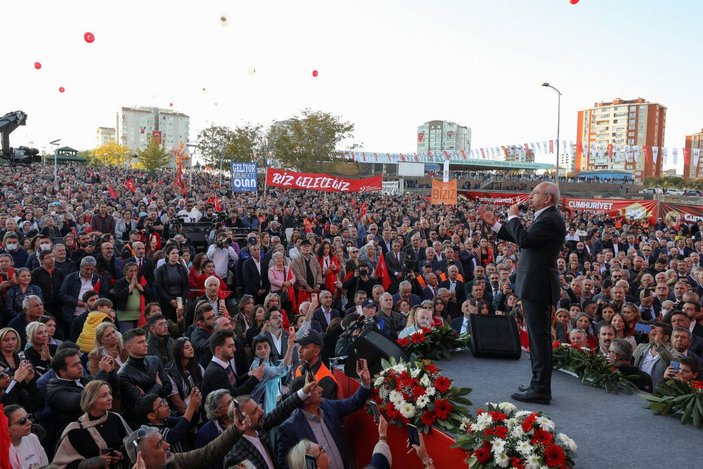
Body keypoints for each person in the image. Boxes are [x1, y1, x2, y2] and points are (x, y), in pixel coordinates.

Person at [479, 181, 566, 405]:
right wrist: (497, 225)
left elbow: (524, 239)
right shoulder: (547, 217)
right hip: (535, 284)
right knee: (539, 338)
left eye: (534, 193)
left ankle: (540, 389)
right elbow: (526, 241)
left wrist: (513, 217)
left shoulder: (550, 219)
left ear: (547, 198)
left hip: (538, 285)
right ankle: (537, 384)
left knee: (539, 338)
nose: (530, 197)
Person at [277, 358, 372, 469]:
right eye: (315, 387)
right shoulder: (289, 429)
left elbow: (353, 402)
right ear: (305, 397)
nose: (321, 389)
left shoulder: (328, 406)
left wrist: (365, 383)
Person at [223, 376, 315, 469]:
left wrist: (304, 391)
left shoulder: (258, 427)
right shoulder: (235, 456)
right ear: (242, 422)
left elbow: (281, 410)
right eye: (255, 411)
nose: (262, 411)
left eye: (258, 407)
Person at [53, 380, 132, 469]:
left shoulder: (115, 419)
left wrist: (121, 456)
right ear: (91, 400)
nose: (110, 398)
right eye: (103, 395)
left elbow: (132, 446)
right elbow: (62, 466)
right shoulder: (77, 430)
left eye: (109, 393)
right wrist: (93, 463)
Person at [118, 328, 172, 427]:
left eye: (145, 340)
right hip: (140, 424)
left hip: (163, 415)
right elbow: (141, 404)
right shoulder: (123, 374)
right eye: (141, 342)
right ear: (129, 348)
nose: (146, 344)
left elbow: (168, 387)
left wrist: (147, 395)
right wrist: (158, 386)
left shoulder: (155, 360)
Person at [201, 329, 265, 399]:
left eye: (233, 345)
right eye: (230, 346)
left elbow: (236, 382)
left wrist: (250, 374)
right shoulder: (215, 372)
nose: (234, 349)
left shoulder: (225, 363)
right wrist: (255, 378)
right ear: (218, 349)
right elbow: (233, 395)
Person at [135, 389, 201, 454]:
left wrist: (195, 406)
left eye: (164, 401)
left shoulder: (165, 419)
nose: (166, 404)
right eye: (161, 404)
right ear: (151, 416)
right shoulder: (151, 431)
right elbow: (175, 434)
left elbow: (187, 422)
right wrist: (191, 407)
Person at [248, 329, 296, 413]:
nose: (263, 350)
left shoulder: (269, 362)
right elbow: (281, 370)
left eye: (265, 346)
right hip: (262, 411)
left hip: (271, 406)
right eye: (259, 348)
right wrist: (290, 348)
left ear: (270, 348)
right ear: (255, 352)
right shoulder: (260, 367)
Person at [290, 329, 338, 400]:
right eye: (300, 345)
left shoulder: (325, 380)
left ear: (316, 351)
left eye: (305, 347)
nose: (299, 350)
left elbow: (323, 409)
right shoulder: (299, 368)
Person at [164, 337, 204, 415]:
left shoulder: (197, 366)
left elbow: (206, 385)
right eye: (186, 347)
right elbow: (177, 403)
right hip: (184, 413)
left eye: (191, 346)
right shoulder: (170, 373)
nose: (190, 349)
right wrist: (191, 415)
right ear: (178, 351)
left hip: (201, 407)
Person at [194, 389, 232, 469]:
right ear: (217, 412)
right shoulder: (206, 434)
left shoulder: (242, 417)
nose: (234, 404)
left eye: (233, 399)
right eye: (229, 403)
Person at [111, 262, 153, 333]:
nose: (134, 273)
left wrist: (137, 284)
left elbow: (149, 293)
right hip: (125, 317)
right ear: (125, 272)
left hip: (139, 316)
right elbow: (118, 296)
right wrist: (131, 285)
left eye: (136, 271)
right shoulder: (120, 282)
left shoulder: (140, 281)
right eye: (131, 271)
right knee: (128, 337)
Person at [4, 404, 49, 469]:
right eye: (22, 421)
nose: (29, 422)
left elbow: (44, 465)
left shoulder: (32, 438)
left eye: (29, 417)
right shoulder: (3, 451)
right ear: (6, 428)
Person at [153, 246, 189, 322]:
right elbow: (159, 287)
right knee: (168, 322)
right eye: (173, 253)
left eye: (177, 253)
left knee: (179, 320)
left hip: (179, 300)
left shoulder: (182, 268)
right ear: (167, 255)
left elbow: (186, 286)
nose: (176, 255)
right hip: (166, 301)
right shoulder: (161, 269)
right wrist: (170, 301)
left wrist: (180, 302)